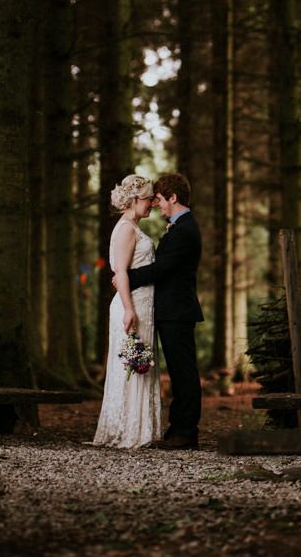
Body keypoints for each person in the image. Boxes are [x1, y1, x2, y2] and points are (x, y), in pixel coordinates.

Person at [127, 173, 203, 450]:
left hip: (178, 311)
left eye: (159, 199)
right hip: (171, 310)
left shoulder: (185, 230)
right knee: (178, 371)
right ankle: (178, 430)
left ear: (173, 197)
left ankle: (185, 432)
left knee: (183, 372)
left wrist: (127, 277)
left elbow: (162, 268)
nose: (157, 204)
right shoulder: (179, 226)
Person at [92, 175, 162, 449]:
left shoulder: (133, 227)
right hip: (132, 305)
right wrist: (129, 310)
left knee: (141, 363)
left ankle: (142, 428)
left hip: (144, 303)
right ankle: (127, 429)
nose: (152, 205)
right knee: (132, 365)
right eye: (148, 200)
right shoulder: (125, 229)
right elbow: (120, 272)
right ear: (134, 200)